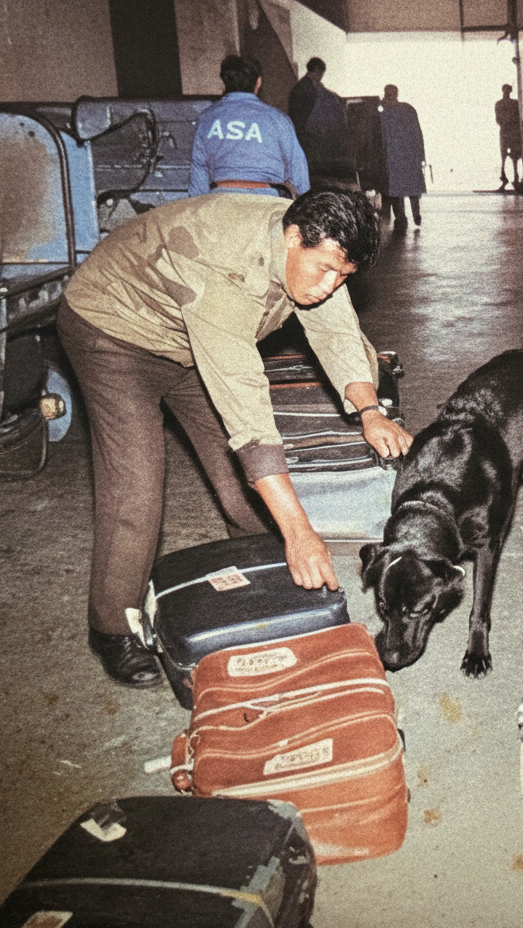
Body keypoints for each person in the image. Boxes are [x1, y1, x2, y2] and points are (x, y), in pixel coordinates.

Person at [57, 189, 413, 689]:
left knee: (243, 485)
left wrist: (370, 410)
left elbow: (336, 331)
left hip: (186, 336)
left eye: (344, 276)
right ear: (293, 236)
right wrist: (300, 531)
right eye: (326, 270)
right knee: (136, 486)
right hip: (113, 333)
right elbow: (247, 410)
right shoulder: (223, 269)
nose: (331, 285)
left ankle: (262, 582)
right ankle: (111, 629)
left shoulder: (310, 249)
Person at [188, 54, 310, 198]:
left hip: (221, 200)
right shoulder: (278, 119)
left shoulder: (206, 119)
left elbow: (199, 173)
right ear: (258, 82)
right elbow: (298, 171)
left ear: (222, 83)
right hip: (267, 202)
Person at [288, 57, 347, 180]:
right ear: (316, 70)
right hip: (311, 135)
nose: (321, 76)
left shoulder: (305, 87)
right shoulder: (308, 89)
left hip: (310, 134)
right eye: (320, 73)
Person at [380, 84, 427, 232]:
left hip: (398, 156)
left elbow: (417, 133)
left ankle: (406, 216)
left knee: (399, 189)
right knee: (405, 189)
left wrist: (420, 154)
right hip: (403, 156)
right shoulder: (406, 109)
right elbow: (418, 133)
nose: (390, 96)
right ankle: (410, 216)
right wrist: (421, 154)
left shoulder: (385, 111)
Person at [495, 83, 523, 192]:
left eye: (508, 90)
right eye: (505, 90)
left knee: (515, 156)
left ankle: (515, 178)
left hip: (513, 132)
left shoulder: (515, 103)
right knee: (503, 156)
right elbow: (498, 119)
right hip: (505, 132)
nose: (506, 92)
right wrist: (506, 122)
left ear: (510, 91)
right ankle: (504, 179)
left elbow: (518, 117)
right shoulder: (499, 104)